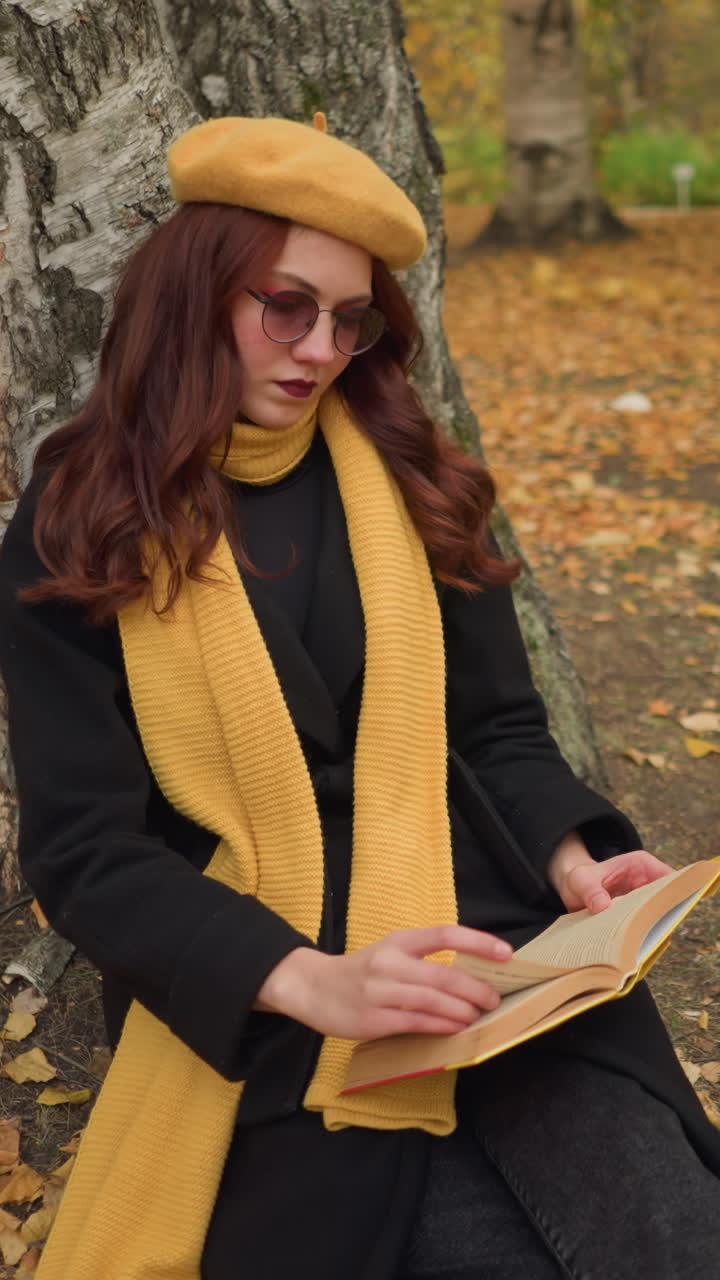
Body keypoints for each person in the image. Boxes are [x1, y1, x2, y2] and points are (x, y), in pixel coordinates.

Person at [0, 114, 718, 1280]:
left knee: (673, 1236)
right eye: (286, 305)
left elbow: (497, 728)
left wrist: (573, 854)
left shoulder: (410, 475)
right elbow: (86, 853)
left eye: (350, 318)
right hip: (273, 997)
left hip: (495, 949)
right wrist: (313, 979)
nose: (321, 347)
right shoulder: (78, 524)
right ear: (195, 293)